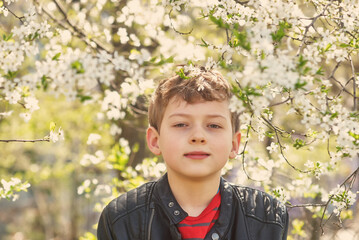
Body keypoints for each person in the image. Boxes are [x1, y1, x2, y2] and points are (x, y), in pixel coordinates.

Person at [97, 66, 289, 240]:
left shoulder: (268, 217)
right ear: (155, 141)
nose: (198, 136)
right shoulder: (121, 219)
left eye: (213, 125)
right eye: (181, 124)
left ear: (233, 144)